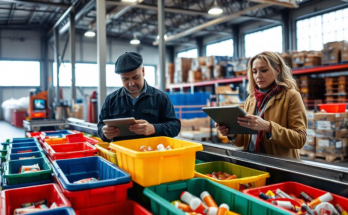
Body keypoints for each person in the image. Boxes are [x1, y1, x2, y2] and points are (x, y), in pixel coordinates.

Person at [216, 51, 307, 159]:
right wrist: (231, 134)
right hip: (252, 163)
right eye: (254, 72)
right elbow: (244, 141)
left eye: (264, 70)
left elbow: (299, 139)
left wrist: (268, 127)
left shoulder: (291, 96)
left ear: (277, 70)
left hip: (279, 167)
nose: (258, 75)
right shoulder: (251, 99)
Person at [98, 52, 181, 142]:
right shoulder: (111, 100)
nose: (131, 83)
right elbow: (100, 127)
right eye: (125, 79)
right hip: (122, 154)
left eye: (135, 77)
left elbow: (175, 126)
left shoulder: (161, 97)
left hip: (150, 153)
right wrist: (105, 133)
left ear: (143, 71)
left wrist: (154, 128)